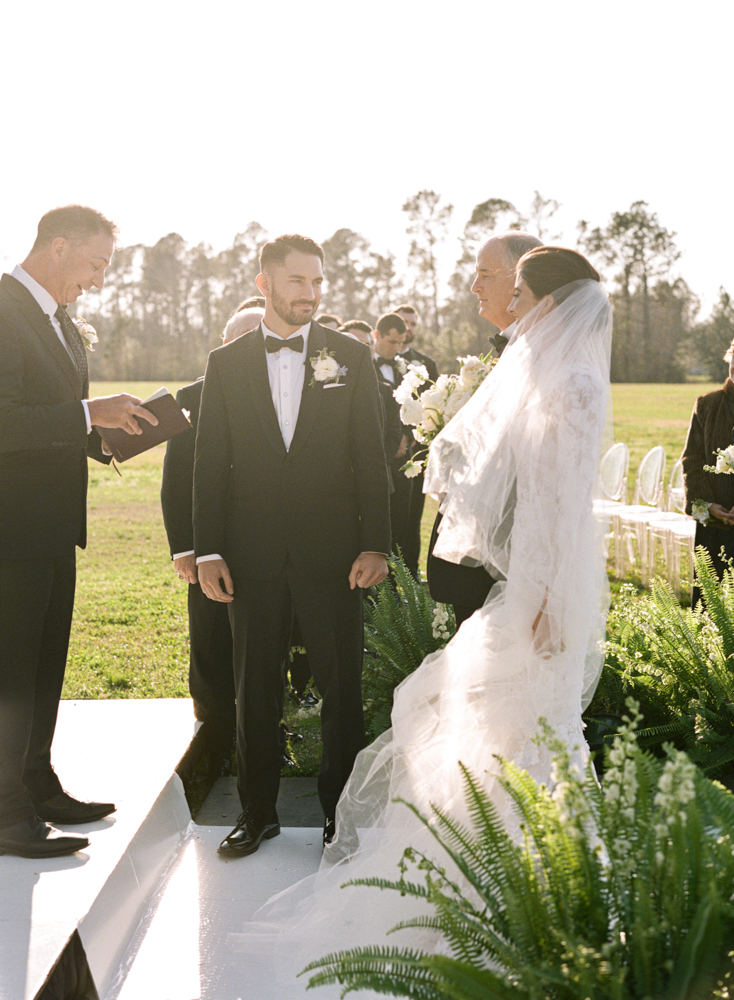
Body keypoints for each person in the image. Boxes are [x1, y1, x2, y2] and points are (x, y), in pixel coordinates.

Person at [235, 246, 613, 986]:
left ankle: (541, 891)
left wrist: (544, 603)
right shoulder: (540, 372)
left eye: (516, 289)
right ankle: (508, 893)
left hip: (541, 594)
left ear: (542, 302)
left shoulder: (569, 383)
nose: (501, 297)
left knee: (529, 733)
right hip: (527, 589)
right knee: (508, 734)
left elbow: (564, 508)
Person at [193, 234, 391, 858]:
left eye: (318, 282)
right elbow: (210, 466)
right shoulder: (225, 365)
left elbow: (372, 460)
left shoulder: (350, 358)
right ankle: (257, 814)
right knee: (254, 689)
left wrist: (376, 545)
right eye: (299, 282)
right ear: (265, 284)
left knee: (342, 687)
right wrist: (208, 551)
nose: (311, 293)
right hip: (248, 559)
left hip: (334, 555)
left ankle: (341, 814)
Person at [0, 205, 158, 859]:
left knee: (43, 668)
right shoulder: (4, 309)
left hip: (54, 526)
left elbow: (56, 419)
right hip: (9, 530)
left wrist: (111, 436)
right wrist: (86, 412)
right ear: (57, 247)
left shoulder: (59, 322)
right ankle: (7, 814)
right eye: (95, 265)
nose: (97, 280)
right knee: (10, 672)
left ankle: (37, 782)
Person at [160, 306, 264, 772]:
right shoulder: (194, 398)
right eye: (239, 338)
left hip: (266, 544)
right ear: (222, 346)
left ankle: (262, 733)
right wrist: (184, 548)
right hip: (207, 544)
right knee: (210, 640)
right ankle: (212, 733)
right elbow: (175, 478)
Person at [427, 231, 542, 625]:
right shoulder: (507, 352)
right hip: (475, 559)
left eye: (486, 274)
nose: (474, 286)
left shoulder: (541, 359)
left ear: (523, 279)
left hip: (506, 563)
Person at [682, 338, 734, 604]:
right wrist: (707, 506)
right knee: (709, 605)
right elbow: (691, 461)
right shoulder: (706, 405)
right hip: (712, 525)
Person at [393, 304, 438, 577]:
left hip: (415, 455)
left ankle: (410, 575)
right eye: (403, 323)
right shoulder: (372, 359)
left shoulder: (426, 363)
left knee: (413, 518)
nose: (408, 328)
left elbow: (432, 408)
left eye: (412, 324)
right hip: (384, 455)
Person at [373, 313, 413, 555]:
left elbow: (414, 405)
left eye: (401, 343)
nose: (397, 348)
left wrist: (406, 435)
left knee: (402, 523)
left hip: (404, 457)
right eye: (392, 342)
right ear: (377, 336)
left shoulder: (405, 368)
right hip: (379, 453)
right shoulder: (363, 365)